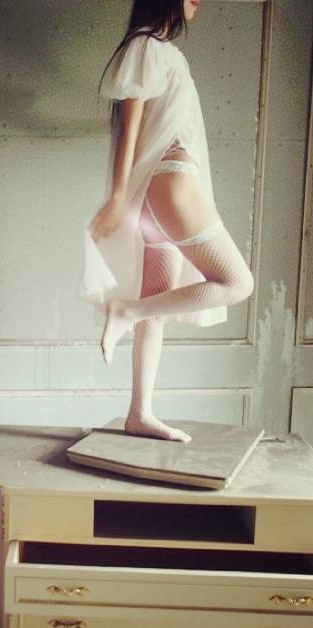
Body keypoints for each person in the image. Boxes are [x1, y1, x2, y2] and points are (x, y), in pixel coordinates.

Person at [79, 0, 254, 443]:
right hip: (171, 182)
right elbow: (131, 124)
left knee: (157, 305)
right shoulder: (146, 45)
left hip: (164, 189)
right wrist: (117, 195)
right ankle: (125, 310)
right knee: (237, 283)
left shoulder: (159, 50)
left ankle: (139, 413)